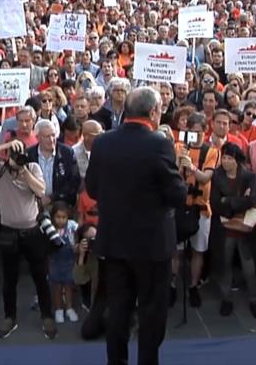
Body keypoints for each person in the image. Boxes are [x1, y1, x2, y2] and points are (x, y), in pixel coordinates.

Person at [85, 86, 187, 365]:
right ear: (153, 111)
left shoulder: (103, 142)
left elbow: (92, 188)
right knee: (152, 312)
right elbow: (177, 195)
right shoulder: (159, 143)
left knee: (118, 308)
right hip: (151, 246)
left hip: (115, 242)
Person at [0, 138, 54, 339]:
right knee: (9, 279)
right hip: (9, 233)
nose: (16, 159)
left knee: (40, 276)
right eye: (14, 155)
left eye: (19, 155)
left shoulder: (33, 168)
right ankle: (9, 317)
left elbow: (41, 191)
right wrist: (4, 147)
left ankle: (47, 316)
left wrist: (24, 170)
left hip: (33, 232)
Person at [172, 112, 219, 308]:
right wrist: (178, 162)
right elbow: (171, 174)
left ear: (205, 132)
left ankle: (193, 286)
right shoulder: (178, 147)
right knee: (177, 250)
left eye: (199, 132)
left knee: (199, 250)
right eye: (192, 132)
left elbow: (205, 178)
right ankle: (172, 284)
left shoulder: (212, 151)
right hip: (181, 206)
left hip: (201, 208)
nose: (195, 136)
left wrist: (191, 167)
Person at [209, 142, 256, 318]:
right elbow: (216, 203)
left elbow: (252, 200)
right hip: (224, 226)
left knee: (249, 267)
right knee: (225, 264)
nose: (225, 161)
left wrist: (229, 200)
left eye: (229, 158)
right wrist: (239, 200)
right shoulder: (217, 176)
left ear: (236, 160)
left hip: (244, 226)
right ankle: (226, 299)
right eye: (223, 158)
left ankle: (255, 299)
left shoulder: (248, 176)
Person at [27, 119, 80, 207]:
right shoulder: (29, 154)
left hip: (61, 204)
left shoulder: (67, 153)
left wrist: (52, 198)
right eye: (47, 136)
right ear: (37, 137)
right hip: (34, 204)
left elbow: (73, 181)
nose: (51, 140)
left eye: (53, 135)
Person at [48, 202, 79, 324]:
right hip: (54, 262)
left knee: (68, 286)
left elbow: (80, 232)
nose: (61, 220)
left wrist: (77, 246)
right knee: (56, 286)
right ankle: (59, 309)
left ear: (68, 217)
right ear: (53, 217)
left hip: (69, 261)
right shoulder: (49, 228)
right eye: (58, 217)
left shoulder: (72, 226)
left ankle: (69, 308)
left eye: (64, 217)